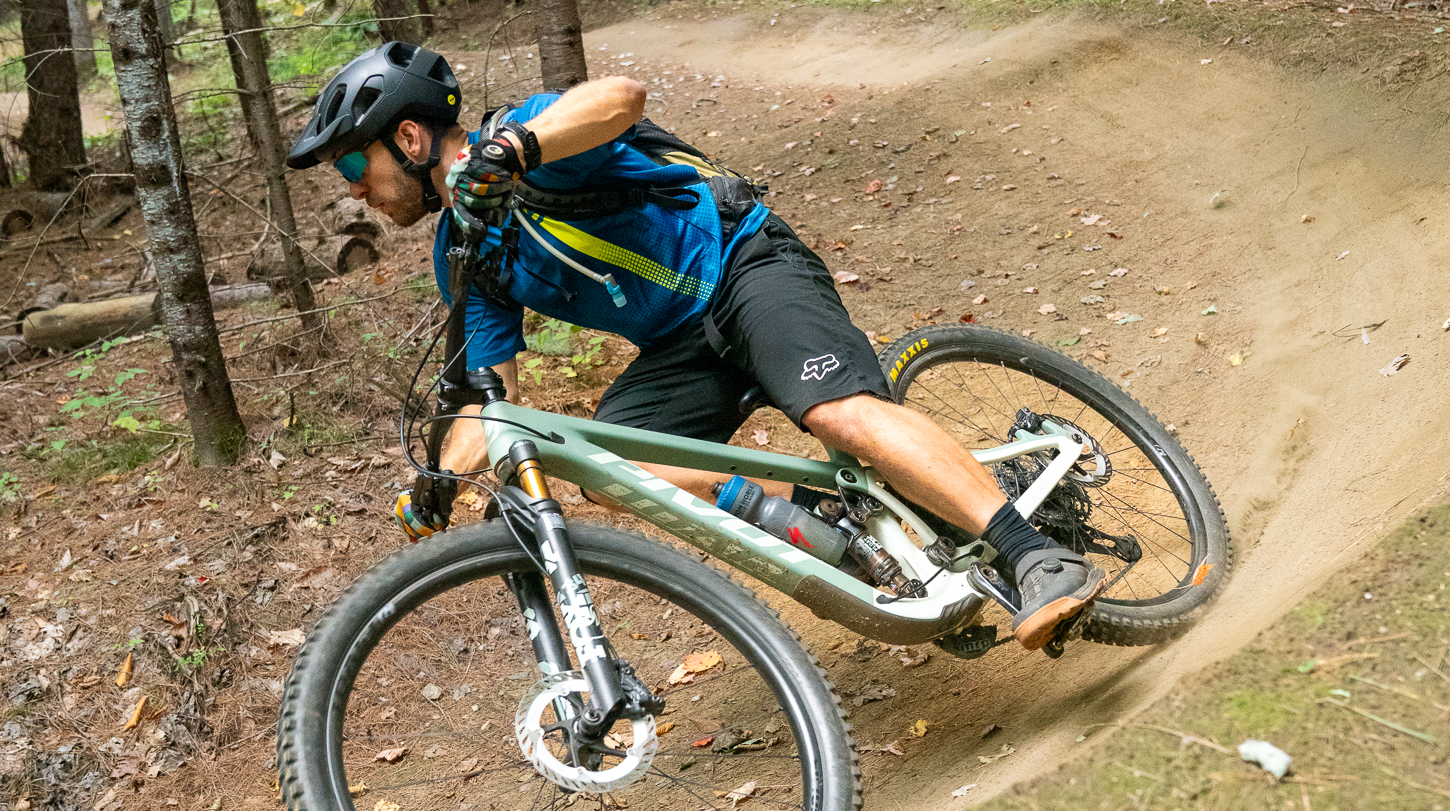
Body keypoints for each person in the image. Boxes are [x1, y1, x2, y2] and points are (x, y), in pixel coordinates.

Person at [287, 41, 1105, 649]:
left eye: (352, 159)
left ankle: (1032, 556)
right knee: (609, 469)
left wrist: (512, 152)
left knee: (839, 415)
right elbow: (485, 394)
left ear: (410, 136)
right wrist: (440, 476)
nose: (351, 184)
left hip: (745, 264)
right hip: (682, 344)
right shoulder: (462, 252)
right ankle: (841, 535)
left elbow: (620, 96)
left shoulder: (527, 140)